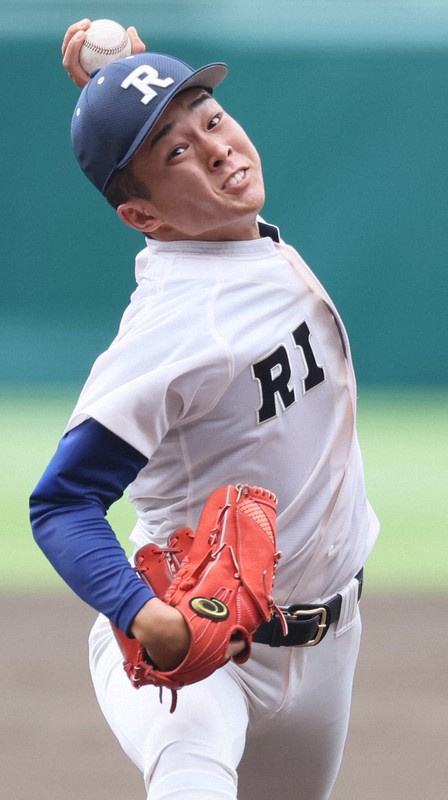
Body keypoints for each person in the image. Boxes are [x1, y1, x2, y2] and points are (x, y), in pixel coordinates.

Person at [30, 19, 380, 800]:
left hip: (327, 646)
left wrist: (132, 89)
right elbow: (61, 502)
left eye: (212, 118)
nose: (219, 147)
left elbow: (169, 150)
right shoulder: (174, 325)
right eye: (179, 153)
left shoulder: (235, 238)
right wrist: (138, 610)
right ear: (143, 219)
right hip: (202, 645)